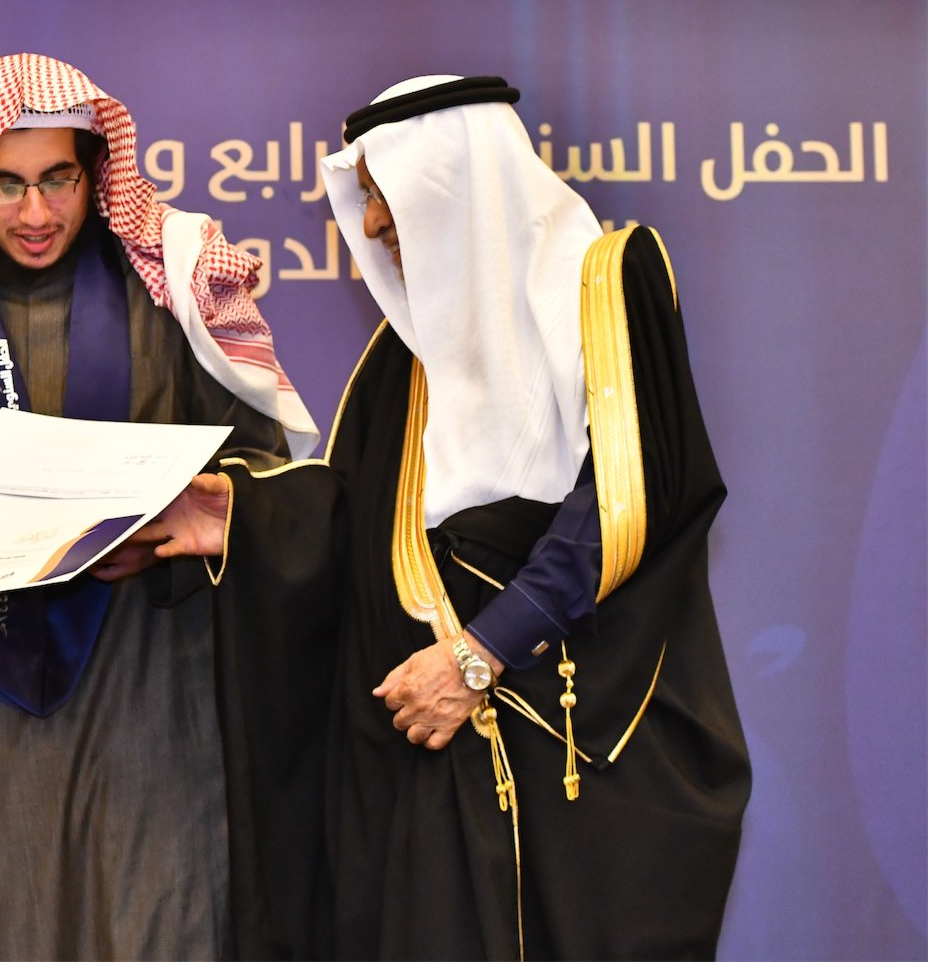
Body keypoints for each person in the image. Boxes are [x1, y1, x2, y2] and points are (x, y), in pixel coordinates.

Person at [147, 74, 751, 959]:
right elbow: (356, 523)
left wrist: (480, 653)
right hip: (430, 757)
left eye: (386, 194)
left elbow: (630, 495)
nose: (373, 224)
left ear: (455, 182)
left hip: (578, 756)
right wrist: (243, 516)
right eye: (366, 199)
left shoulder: (607, 283)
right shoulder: (401, 361)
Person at [0, 52, 318, 959]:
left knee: (150, 924)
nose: (36, 213)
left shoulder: (175, 297)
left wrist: (176, 523)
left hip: (149, 701)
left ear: (96, 174)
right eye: (5, 186)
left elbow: (265, 482)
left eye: (57, 179)